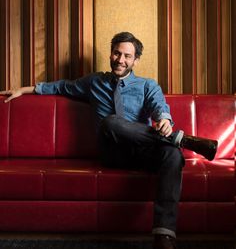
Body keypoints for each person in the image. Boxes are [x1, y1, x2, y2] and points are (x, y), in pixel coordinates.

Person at [0, 32, 217, 249]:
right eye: (117, 53)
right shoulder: (94, 82)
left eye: (127, 56)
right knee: (110, 122)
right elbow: (60, 87)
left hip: (143, 151)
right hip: (112, 152)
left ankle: (164, 236)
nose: (120, 60)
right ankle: (180, 139)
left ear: (135, 60)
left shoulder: (147, 85)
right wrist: (24, 89)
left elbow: (159, 107)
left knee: (172, 155)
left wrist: (164, 120)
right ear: (111, 53)